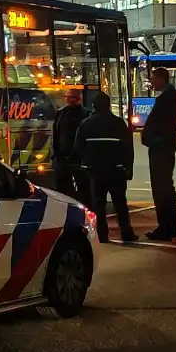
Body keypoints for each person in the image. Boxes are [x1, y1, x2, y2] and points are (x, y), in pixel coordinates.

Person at [75, 92, 135, 243]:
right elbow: (128, 148)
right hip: (115, 169)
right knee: (120, 203)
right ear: (109, 105)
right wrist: (128, 168)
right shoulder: (119, 123)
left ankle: (102, 234)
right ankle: (126, 233)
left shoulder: (85, 124)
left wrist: (82, 167)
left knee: (98, 204)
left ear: (94, 106)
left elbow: (78, 149)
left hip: (94, 170)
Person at [141, 66, 176, 241]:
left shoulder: (167, 99)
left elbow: (163, 126)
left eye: (152, 78)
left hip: (161, 149)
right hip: (163, 147)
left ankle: (165, 227)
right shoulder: (171, 96)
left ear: (161, 79)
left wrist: (150, 139)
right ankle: (169, 227)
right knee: (165, 187)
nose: (151, 82)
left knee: (161, 188)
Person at [51, 89, 88, 200]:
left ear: (78, 99)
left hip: (78, 158)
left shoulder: (86, 114)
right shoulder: (60, 113)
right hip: (61, 157)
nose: (69, 100)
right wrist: (55, 154)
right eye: (67, 97)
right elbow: (56, 134)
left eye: (72, 97)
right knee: (61, 188)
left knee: (82, 188)